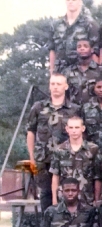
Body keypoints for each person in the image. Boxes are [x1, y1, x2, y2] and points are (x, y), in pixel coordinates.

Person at [27, 73, 81, 214]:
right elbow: (31, 132)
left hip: (66, 160)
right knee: (45, 194)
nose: (55, 87)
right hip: (42, 160)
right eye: (53, 84)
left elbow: (79, 133)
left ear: (66, 86)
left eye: (58, 84)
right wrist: (32, 158)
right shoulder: (38, 107)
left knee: (67, 194)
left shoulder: (74, 109)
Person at [50, 116, 99, 207]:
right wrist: (54, 199)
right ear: (67, 129)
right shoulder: (59, 150)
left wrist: (97, 199)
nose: (74, 131)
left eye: (77, 127)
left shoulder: (93, 149)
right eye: (71, 128)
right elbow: (55, 175)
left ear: (83, 128)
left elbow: (97, 176)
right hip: (64, 199)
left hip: (87, 198)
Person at [49, 0, 100, 74]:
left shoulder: (90, 24)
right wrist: (51, 71)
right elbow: (52, 50)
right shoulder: (56, 25)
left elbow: (95, 51)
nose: (70, 2)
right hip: (60, 73)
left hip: (82, 73)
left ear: (80, 2)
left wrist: (95, 73)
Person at [63, 38, 102, 105]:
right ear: (76, 50)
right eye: (79, 47)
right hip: (73, 111)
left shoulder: (101, 70)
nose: (82, 48)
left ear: (92, 50)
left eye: (85, 46)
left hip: (94, 112)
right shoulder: (68, 71)